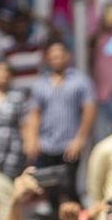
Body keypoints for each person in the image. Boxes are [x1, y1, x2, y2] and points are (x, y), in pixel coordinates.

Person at [24, 41, 95, 192]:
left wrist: (80, 139)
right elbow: (34, 113)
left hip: (69, 142)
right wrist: (32, 138)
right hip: (47, 143)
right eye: (53, 57)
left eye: (59, 56)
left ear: (67, 57)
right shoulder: (40, 84)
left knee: (69, 186)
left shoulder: (80, 81)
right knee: (49, 187)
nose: (57, 60)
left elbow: (88, 111)